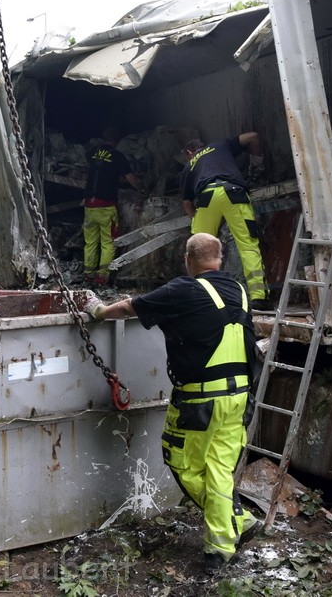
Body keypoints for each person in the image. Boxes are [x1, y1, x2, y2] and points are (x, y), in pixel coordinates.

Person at [86, 232, 257, 570]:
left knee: (183, 464)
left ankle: (222, 542)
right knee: (220, 469)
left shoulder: (183, 289)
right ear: (219, 259)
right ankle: (241, 523)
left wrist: (98, 309)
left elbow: (129, 307)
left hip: (199, 402)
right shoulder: (238, 289)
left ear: (188, 259)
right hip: (239, 397)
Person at [179, 130, 270, 307]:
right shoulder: (220, 145)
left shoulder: (189, 165)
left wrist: (196, 219)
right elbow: (253, 136)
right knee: (247, 244)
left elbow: (186, 204)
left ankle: (202, 297)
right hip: (234, 192)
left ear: (189, 153)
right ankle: (259, 297)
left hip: (206, 198)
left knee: (199, 250)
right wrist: (257, 162)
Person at [83, 126, 143, 287]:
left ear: (104, 138)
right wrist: (143, 188)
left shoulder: (92, 153)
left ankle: (88, 275)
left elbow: (101, 172)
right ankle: (102, 277)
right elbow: (131, 179)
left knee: (90, 241)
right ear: (116, 140)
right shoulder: (117, 156)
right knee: (108, 242)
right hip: (106, 206)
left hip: (89, 205)